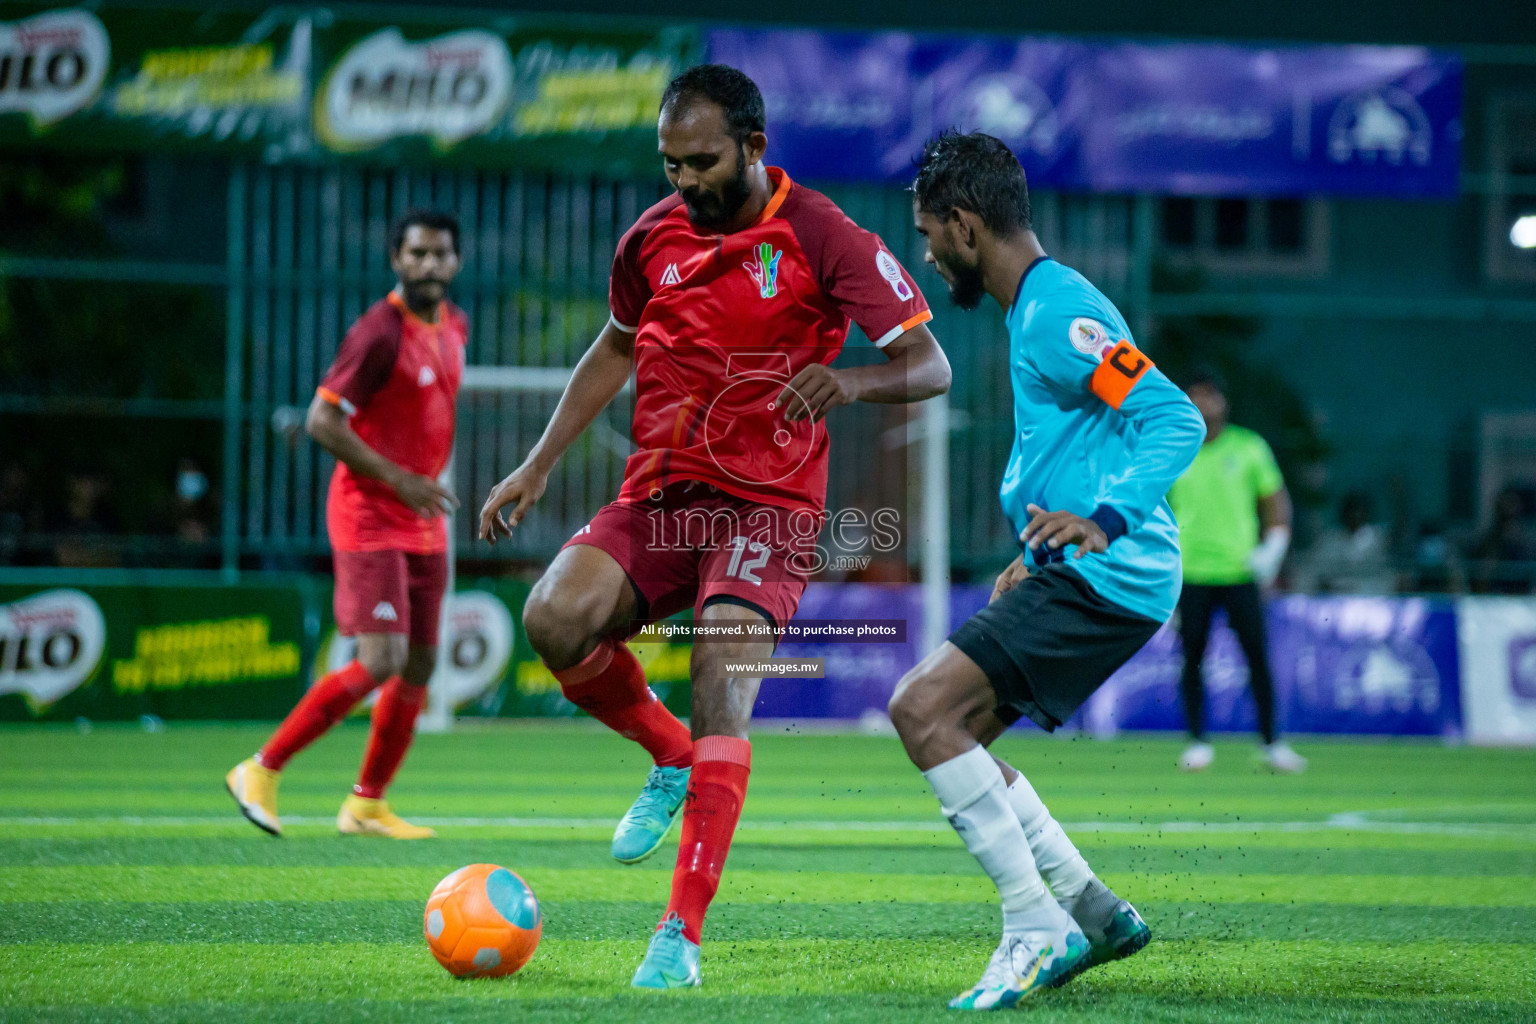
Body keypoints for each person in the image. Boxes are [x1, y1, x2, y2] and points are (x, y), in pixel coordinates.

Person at [477, 65, 951, 989]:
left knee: (721, 669)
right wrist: (537, 463)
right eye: (669, 164)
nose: (684, 182)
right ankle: (668, 758)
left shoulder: (822, 233)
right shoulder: (651, 238)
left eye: (700, 162)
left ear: (753, 147)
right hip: (660, 493)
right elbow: (615, 346)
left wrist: (847, 381)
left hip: (769, 504)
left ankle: (678, 936)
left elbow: (929, 364)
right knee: (553, 618)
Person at [890, 131, 1206, 1009]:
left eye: (927, 234)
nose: (925, 254)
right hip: (1082, 572)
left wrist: (1102, 524)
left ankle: (1035, 925)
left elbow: (1174, 419)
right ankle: (1095, 912)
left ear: (963, 225)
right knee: (966, 742)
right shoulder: (1034, 309)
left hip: (1111, 574)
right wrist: (1033, 556)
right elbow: (1076, 450)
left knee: (921, 709)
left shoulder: (1058, 311)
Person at [226, 209, 465, 839]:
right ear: (396, 259)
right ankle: (261, 768)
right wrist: (402, 480)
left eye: (440, 254)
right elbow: (321, 421)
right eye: (416, 254)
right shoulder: (378, 333)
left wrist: (419, 486)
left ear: (456, 262)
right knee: (381, 658)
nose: (429, 265)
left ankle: (366, 804)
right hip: (370, 516)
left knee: (419, 663)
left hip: (423, 520)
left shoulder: (455, 325)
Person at [1167, 370, 1306, 773]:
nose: (1202, 404)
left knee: (1257, 659)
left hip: (1240, 571)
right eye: (1194, 396)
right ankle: (1197, 743)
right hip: (1190, 572)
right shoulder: (1174, 449)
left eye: (1209, 395)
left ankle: (1272, 743)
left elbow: (1275, 501)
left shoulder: (1249, 446)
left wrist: (1273, 548)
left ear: (1223, 401)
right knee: (1191, 659)